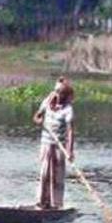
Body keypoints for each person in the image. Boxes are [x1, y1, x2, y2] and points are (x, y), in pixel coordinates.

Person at [33, 79, 75, 209]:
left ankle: (55, 205)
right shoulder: (47, 101)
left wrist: (69, 151)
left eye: (60, 92)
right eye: (56, 91)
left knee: (56, 176)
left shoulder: (68, 109)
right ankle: (42, 202)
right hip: (46, 144)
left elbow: (70, 131)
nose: (57, 94)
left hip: (58, 146)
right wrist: (40, 121)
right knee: (44, 173)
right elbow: (36, 116)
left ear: (65, 94)